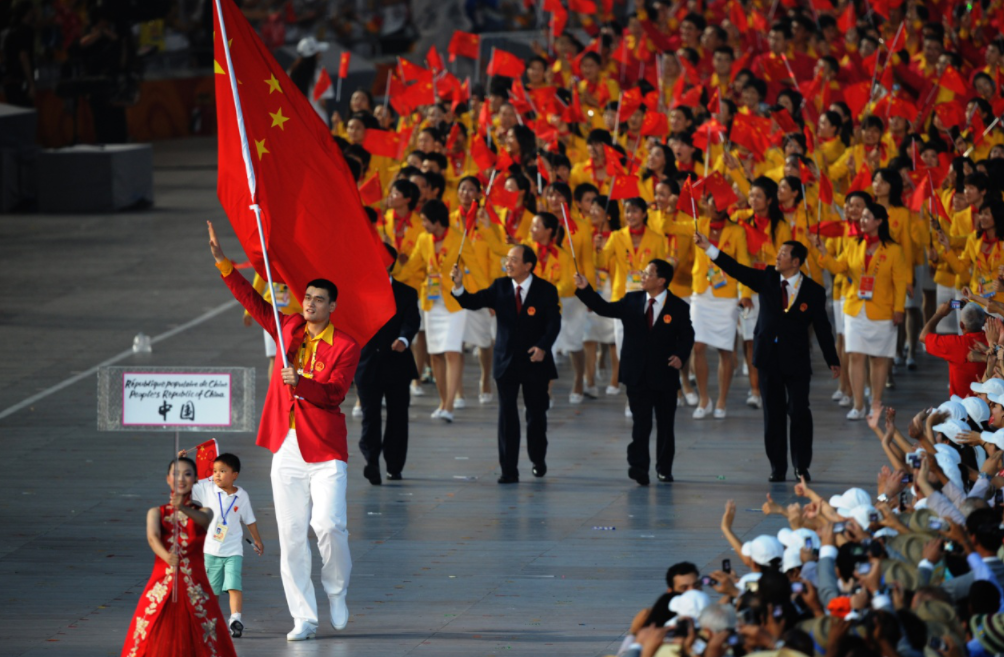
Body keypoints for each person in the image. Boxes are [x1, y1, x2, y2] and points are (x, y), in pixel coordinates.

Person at [208, 221, 358, 640]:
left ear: (332, 307)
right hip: (287, 447)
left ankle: (336, 589)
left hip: (327, 449)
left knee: (329, 525)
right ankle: (304, 617)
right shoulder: (288, 327)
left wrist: (300, 382)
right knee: (291, 536)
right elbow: (254, 302)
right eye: (307, 297)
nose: (309, 304)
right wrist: (224, 264)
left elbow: (334, 394)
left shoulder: (345, 346)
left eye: (318, 300)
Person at [695, 234, 840, 482]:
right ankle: (777, 467)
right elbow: (736, 268)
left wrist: (832, 359)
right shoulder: (767, 279)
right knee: (772, 415)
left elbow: (823, 327)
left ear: (796, 262)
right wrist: (709, 248)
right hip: (768, 358)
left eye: (783, 254)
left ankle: (801, 466)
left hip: (796, 360)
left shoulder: (814, 291)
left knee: (799, 411)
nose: (778, 257)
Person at [573, 259, 695, 485]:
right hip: (637, 374)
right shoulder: (632, 300)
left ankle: (664, 469)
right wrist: (585, 289)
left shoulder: (678, 307)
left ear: (661, 281)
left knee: (666, 425)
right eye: (643, 272)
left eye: (648, 274)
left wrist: (680, 355)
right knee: (641, 423)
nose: (642, 276)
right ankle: (638, 467)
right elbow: (604, 308)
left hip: (665, 375)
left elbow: (687, 336)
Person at [449, 244, 561, 484]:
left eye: (513, 259)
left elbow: (554, 324)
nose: (507, 263)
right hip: (506, 361)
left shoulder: (546, 290)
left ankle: (537, 458)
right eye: (507, 259)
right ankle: (508, 470)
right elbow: (472, 301)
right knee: (507, 416)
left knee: (536, 415)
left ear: (528, 265)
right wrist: (459, 286)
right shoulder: (499, 286)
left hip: (535, 361)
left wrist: (543, 346)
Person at [121, 457, 237, 657]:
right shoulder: (156, 512)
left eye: (187, 474)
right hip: (162, 582)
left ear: (196, 479)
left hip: (196, 585)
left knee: (205, 633)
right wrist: (166, 555)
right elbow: (152, 537)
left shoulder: (205, 512)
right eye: (176, 474)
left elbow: (203, 522)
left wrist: (182, 508)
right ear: (168, 479)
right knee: (151, 631)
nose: (181, 478)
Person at [812, 200, 909, 421]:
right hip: (855, 308)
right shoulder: (854, 244)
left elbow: (900, 282)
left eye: (866, 217)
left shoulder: (894, 250)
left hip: (883, 310)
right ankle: (858, 404)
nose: (862, 221)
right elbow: (839, 267)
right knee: (855, 355)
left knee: (878, 359)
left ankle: (875, 403)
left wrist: (899, 308)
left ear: (879, 221)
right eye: (862, 217)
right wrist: (822, 252)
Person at [397, 199, 489, 422]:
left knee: (451, 352)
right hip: (431, 302)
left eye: (426, 221)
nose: (424, 225)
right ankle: (442, 401)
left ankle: (449, 406)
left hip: (455, 303)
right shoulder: (423, 239)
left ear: (437, 221)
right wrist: (390, 280)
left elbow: (476, 269)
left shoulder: (459, 238)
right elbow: (412, 269)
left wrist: (490, 296)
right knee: (436, 354)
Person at [355, 244, 420, 485]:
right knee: (369, 415)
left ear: (389, 263)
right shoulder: (360, 292)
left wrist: (403, 339)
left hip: (397, 363)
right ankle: (371, 461)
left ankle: (394, 465)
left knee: (398, 416)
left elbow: (412, 321)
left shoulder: (407, 292)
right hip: (368, 363)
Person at [187, 452, 264, 638]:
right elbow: (185, 485)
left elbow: (249, 520)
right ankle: (211, 619)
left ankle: (235, 619)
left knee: (233, 585)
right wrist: (182, 460)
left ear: (235, 474)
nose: (217, 475)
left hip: (233, 551)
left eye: (222, 471)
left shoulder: (242, 496)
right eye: (214, 471)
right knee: (212, 590)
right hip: (211, 550)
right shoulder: (207, 489)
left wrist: (257, 539)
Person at [920, 301, 988, 398]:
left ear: (961, 325)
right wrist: (978, 313)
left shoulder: (954, 343)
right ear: (984, 321)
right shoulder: (995, 340)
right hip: (991, 406)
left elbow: (923, 336)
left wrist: (939, 314)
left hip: (961, 406)